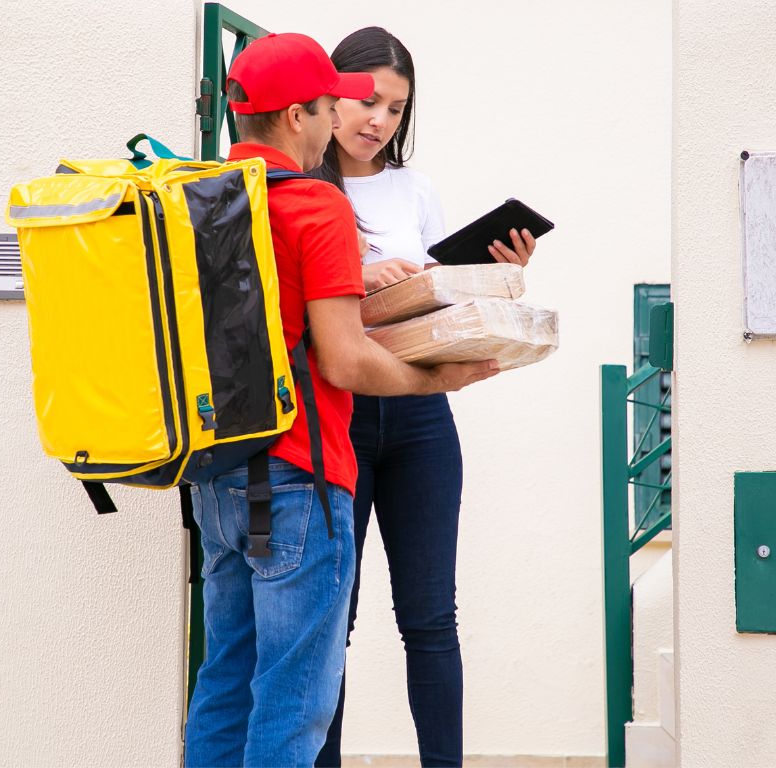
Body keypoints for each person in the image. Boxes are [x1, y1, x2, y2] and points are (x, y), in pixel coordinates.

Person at [184, 32, 500, 767]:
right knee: (296, 704)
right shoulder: (316, 206)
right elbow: (346, 357)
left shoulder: (203, 194)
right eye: (336, 105)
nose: (350, 119)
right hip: (303, 470)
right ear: (297, 116)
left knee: (228, 681)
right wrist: (441, 379)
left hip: (221, 474)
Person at [311, 27, 536, 767]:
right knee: (328, 623)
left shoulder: (416, 189)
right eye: (366, 99)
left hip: (419, 421)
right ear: (329, 94)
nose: (378, 120)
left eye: (396, 108)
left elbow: (445, 306)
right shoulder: (303, 191)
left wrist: (501, 273)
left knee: (432, 619)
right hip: (338, 416)